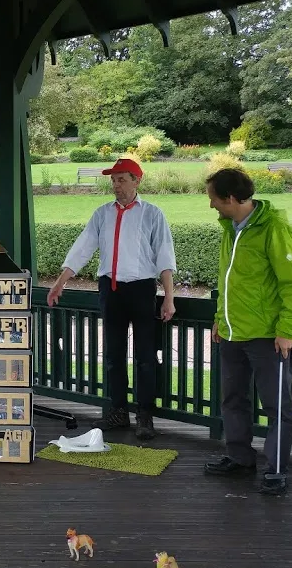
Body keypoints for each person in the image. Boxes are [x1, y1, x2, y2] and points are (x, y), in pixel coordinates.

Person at [48, 158, 177, 440]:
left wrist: (169, 297)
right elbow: (82, 248)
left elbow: (164, 256)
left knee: (145, 357)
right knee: (113, 356)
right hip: (111, 289)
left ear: (136, 181)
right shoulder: (102, 214)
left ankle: (145, 414)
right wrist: (60, 283)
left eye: (121, 179)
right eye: (113, 180)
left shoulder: (153, 214)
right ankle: (118, 412)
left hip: (143, 289)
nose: (116, 185)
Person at [202, 168, 292, 495]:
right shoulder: (229, 228)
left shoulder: (273, 229)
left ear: (232, 198)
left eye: (214, 199)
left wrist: (289, 329)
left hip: (267, 336)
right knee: (233, 399)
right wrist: (221, 319)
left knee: (277, 406)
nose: (211, 206)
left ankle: (276, 470)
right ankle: (239, 458)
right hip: (233, 335)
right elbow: (227, 281)